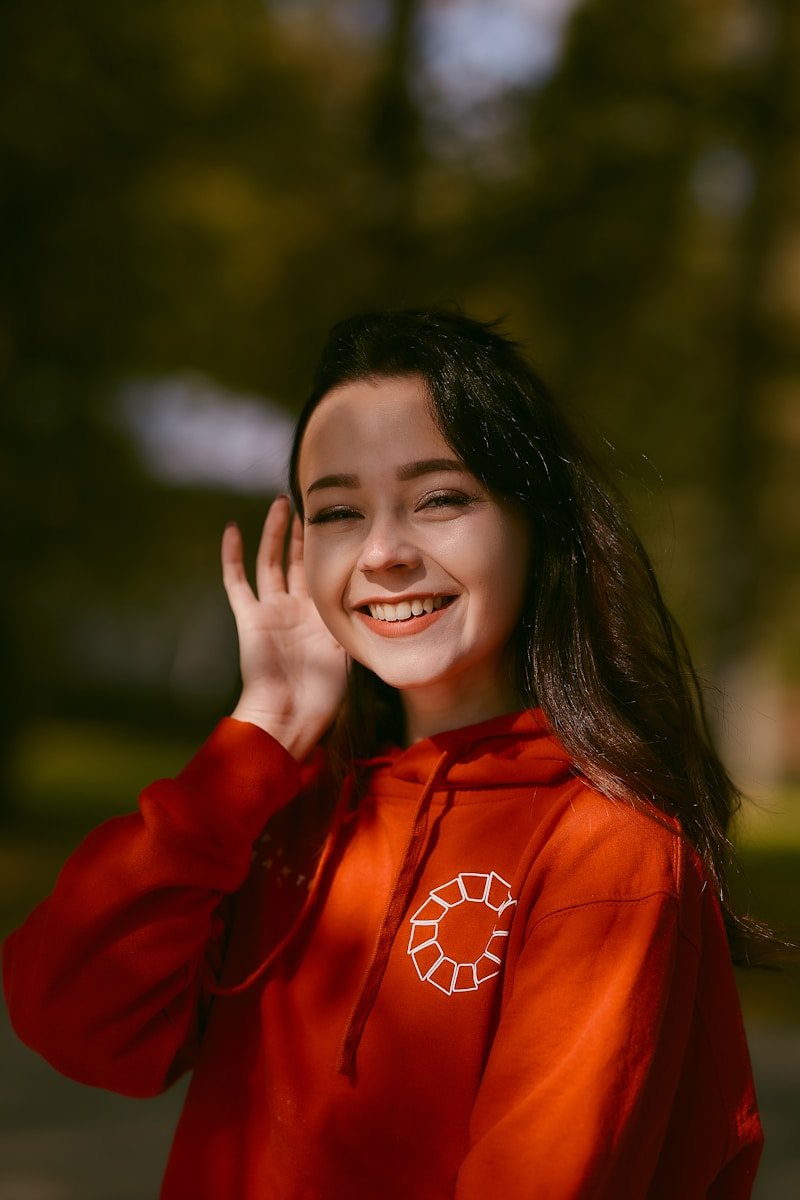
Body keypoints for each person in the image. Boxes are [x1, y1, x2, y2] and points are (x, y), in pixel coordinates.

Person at [3, 308, 764, 1198]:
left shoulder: (608, 849)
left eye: (440, 497)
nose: (385, 552)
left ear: (537, 522)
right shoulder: (283, 804)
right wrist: (263, 737)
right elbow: (74, 1019)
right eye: (338, 511)